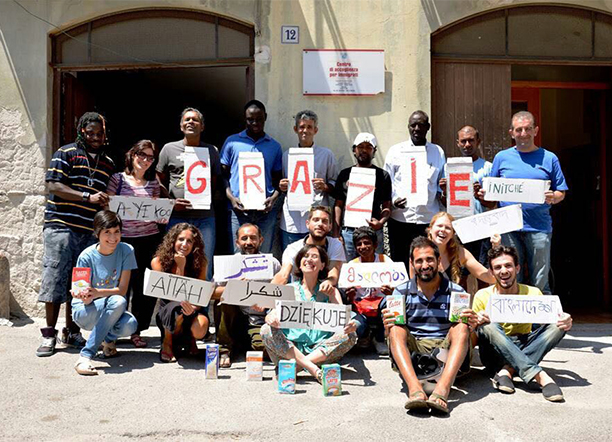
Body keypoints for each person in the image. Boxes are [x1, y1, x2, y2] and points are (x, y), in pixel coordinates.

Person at [37, 112, 114, 357]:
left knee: (79, 282)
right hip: (60, 226)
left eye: (99, 133)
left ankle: (71, 332)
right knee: (55, 277)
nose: (95, 137)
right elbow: (53, 185)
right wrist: (86, 196)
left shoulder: (108, 163)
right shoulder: (66, 153)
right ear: (81, 131)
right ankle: (49, 334)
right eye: (90, 133)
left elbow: (105, 196)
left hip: (88, 230)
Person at [463, 246, 573, 402]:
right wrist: (476, 322)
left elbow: (549, 321)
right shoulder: (482, 295)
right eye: (498, 267)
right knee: (487, 326)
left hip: (524, 344)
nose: (504, 271)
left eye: (508, 265)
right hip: (494, 352)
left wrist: (564, 319)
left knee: (558, 327)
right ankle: (540, 376)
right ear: (492, 272)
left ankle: (508, 370)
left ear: (517, 268)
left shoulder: (533, 293)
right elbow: (472, 333)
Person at [381, 236, 470, 414]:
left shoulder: (456, 291)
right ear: (412, 264)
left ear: (438, 261)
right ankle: (415, 390)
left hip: (444, 349)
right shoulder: (401, 291)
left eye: (429, 259)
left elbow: (465, 335)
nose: (425, 265)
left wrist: (471, 324)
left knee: (462, 327)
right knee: (395, 328)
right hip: (415, 350)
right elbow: (391, 335)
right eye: (419, 261)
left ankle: (442, 391)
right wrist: (387, 327)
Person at [485, 111, 568, 294]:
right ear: (511, 133)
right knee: (511, 278)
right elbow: (492, 191)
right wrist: (484, 193)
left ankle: (541, 312)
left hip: (539, 227)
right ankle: (514, 312)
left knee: (540, 280)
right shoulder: (501, 157)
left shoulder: (549, 158)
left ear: (535, 130)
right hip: (508, 227)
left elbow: (561, 192)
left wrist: (554, 197)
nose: (523, 134)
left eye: (528, 129)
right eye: (519, 130)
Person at [261, 244, 357, 382]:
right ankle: (313, 369)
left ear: (322, 265)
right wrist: (270, 317)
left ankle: (296, 368)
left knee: (350, 335)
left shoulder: (331, 291)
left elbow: (344, 321)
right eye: (305, 256)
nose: (309, 259)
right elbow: (272, 314)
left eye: (314, 256)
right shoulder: (288, 289)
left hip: (320, 353)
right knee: (266, 330)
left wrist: (350, 325)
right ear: (299, 265)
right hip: (289, 351)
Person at [107, 140, 163, 348]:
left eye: (150, 157)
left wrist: (161, 212)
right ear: (132, 155)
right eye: (142, 155)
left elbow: (157, 212)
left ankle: (136, 330)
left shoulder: (154, 183)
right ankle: (113, 329)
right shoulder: (118, 179)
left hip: (149, 239)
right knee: (120, 285)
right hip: (123, 241)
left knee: (143, 287)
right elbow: (108, 207)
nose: (145, 160)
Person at [156, 107, 221, 280]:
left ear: (202, 126)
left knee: (204, 263)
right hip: (177, 217)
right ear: (181, 126)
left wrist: (202, 199)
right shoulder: (168, 149)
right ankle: (173, 298)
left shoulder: (212, 151)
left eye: (195, 120)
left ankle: (202, 299)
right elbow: (158, 179)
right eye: (187, 120)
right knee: (173, 261)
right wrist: (171, 202)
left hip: (205, 217)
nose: (191, 122)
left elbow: (214, 181)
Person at [71, 211, 138, 376]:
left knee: (130, 324)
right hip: (85, 311)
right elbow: (83, 295)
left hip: (113, 307)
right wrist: (84, 295)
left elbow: (122, 290)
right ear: (97, 233)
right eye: (107, 232)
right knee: (118, 301)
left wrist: (97, 292)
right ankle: (85, 356)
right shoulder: (86, 256)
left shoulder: (126, 250)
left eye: (117, 232)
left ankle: (108, 341)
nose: (113, 237)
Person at [384, 111, 446, 271]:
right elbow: (387, 183)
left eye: (421, 125)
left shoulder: (437, 152)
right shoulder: (395, 151)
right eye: (413, 125)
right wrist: (393, 201)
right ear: (408, 127)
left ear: (428, 127)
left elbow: (441, 183)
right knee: (401, 264)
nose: (417, 128)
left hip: (427, 219)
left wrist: (444, 189)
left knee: (427, 264)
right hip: (400, 219)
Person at [213, 223, 281, 367]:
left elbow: (281, 293)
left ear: (261, 240)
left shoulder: (272, 263)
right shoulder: (228, 264)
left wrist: (266, 303)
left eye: (253, 238)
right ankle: (224, 349)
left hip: (258, 320)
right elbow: (212, 293)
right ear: (237, 243)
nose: (249, 242)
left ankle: (243, 345)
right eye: (244, 238)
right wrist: (232, 287)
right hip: (233, 319)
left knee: (261, 348)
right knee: (223, 300)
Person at [221, 100, 283, 254]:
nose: (255, 123)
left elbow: (278, 180)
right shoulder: (231, 142)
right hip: (238, 210)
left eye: (259, 119)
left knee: (264, 257)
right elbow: (222, 176)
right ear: (245, 119)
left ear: (265, 117)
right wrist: (231, 198)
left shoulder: (274, 146)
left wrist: (273, 199)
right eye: (250, 119)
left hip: (265, 212)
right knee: (237, 256)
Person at [279, 110, 338, 250]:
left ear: (315, 130)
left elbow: (335, 184)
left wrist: (325, 186)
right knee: (291, 259)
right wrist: (282, 186)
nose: (305, 131)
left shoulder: (326, 155)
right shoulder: (287, 155)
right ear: (295, 129)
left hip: (316, 221)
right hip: (292, 220)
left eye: (309, 127)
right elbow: (285, 185)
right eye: (301, 127)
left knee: (316, 259)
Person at [153, 223, 209, 363]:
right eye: (181, 239)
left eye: (189, 241)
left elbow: (202, 292)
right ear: (173, 241)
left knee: (201, 326)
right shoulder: (158, 261)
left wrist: (194, 308)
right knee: (177, 309)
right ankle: (167, 342)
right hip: (169, 311)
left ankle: (191, 339)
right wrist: (180, 266)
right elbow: (172, 295)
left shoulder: (201, 262)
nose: (185, 244)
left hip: (192, 307)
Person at [332, 133, 392, 260]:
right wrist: (336, 233)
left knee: (375, 267)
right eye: (360, 147)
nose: (364, 150)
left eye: (368, 147)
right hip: (349, 232)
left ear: (374, 151)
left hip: (373, 232)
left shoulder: (383, 176)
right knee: (349, 268)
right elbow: (338, 204)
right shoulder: (345, 174)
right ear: (354, 150)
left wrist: (380, 222)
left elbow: (387, 205)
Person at [439, 126, 493, 264]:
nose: (467, 145)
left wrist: (480, 195)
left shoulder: (488, 167)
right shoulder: (449, 168)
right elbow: (444, 203)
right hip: (459, 229)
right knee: (459, 270)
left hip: (482, 229)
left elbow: (493, 204)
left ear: (478, 142)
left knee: (483, 269)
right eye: (463, 141)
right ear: (458, 143)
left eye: (471, 140)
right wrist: (445, 192)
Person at [271, 206, 346, 296]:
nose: (320, 224)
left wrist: (328, 282)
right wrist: (267, 295)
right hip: (299, 294)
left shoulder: (335, 245)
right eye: (316, 220)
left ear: (330, 226)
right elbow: (283, 275)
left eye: (324, 221)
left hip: (326, 293)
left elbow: (333, 274)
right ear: (307, 224)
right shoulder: (293, 248)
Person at [344, 226, 392, 354]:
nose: (363, 247)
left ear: (375, 245)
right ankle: (364, 336)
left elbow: (397, 287)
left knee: (390, 302)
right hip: (361, 307)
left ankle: (380, 339)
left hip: (381, 304)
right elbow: (348, 299)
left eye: (367, 243)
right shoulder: (352, 266)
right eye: (359, 244)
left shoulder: (385, 261)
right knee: (357, 327)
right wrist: (350, 295)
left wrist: (390, 292)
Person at [424, 212, 498, 287]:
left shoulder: (460, 253)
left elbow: (490, 278)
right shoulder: (420, 251)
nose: (443, 230)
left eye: (448, 228)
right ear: (430, 229)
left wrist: (495, 248)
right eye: (439, 226)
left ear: (452, 234)